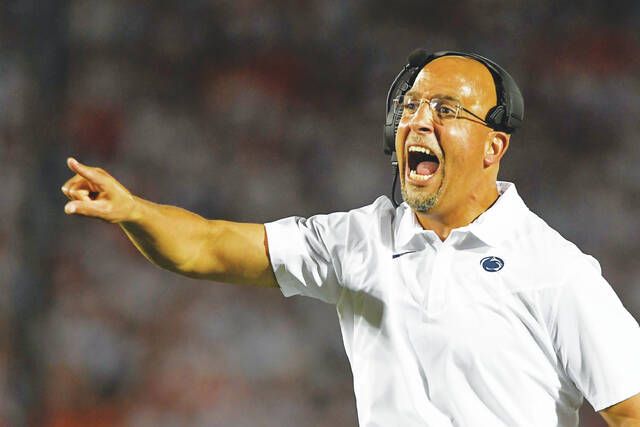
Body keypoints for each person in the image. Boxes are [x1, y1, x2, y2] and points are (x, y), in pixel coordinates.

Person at [61, 51, 640, 426]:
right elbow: (206, 246)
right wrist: (134, 211)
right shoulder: (359, 239)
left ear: (494, 146)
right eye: (410, 105)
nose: (419, 120)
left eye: (446, 110)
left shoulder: (554, 269)